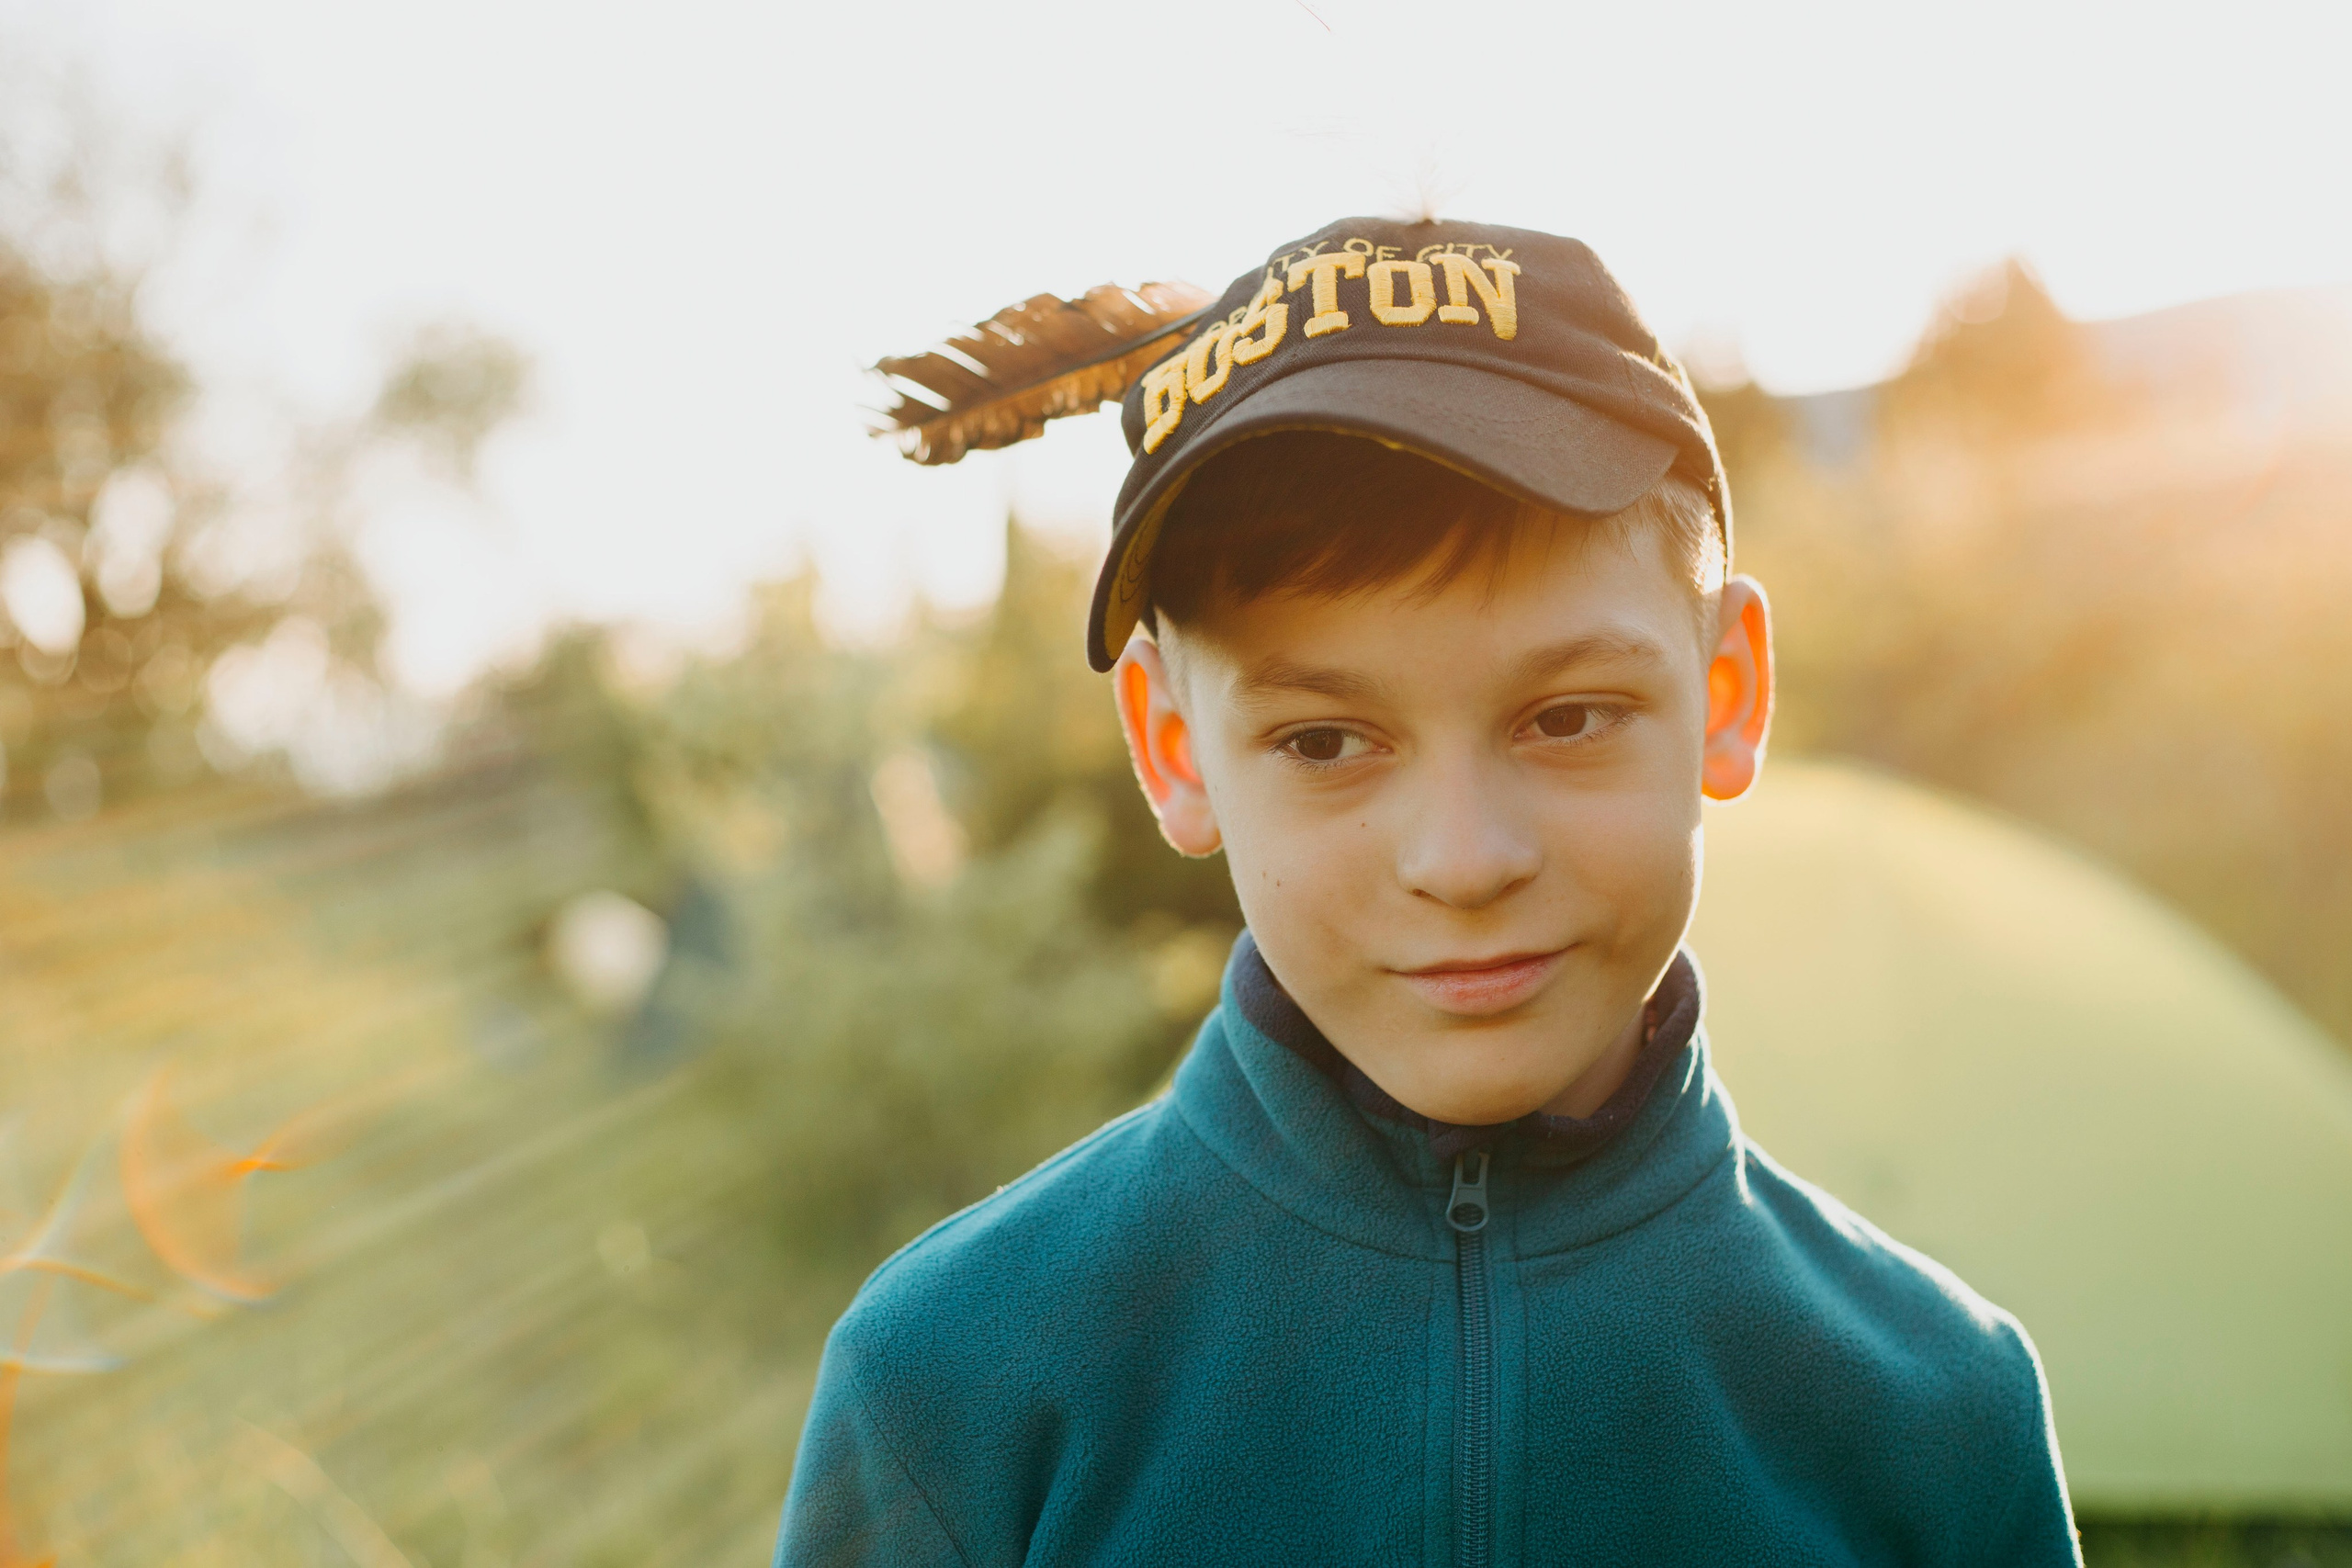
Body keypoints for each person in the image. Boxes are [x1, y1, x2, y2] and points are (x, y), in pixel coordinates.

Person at [774, 217, 2080, 1565]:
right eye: (1326, 742)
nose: (1462, 862)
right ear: (1176, 749)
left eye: (1568, 717)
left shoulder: (1936, 1414)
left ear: (1727, 696)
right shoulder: (954, 1391)